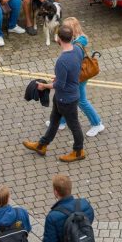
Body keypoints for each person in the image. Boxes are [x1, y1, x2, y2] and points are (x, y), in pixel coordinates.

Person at [23, 24, 86, 161]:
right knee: (54, 121)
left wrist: (44, 86)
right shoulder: (77, 49)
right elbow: (73, 71)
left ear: (58, 39)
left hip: (66, 99)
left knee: (74, 125)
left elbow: (59, 85)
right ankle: (42, 145)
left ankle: (78, 151)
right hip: (66, 96)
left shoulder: (62, 61)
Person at [41, 174, 96, 242]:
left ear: (55, 192)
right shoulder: (84, 205)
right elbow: (90, 220)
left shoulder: (53, 216)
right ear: (70, 188)